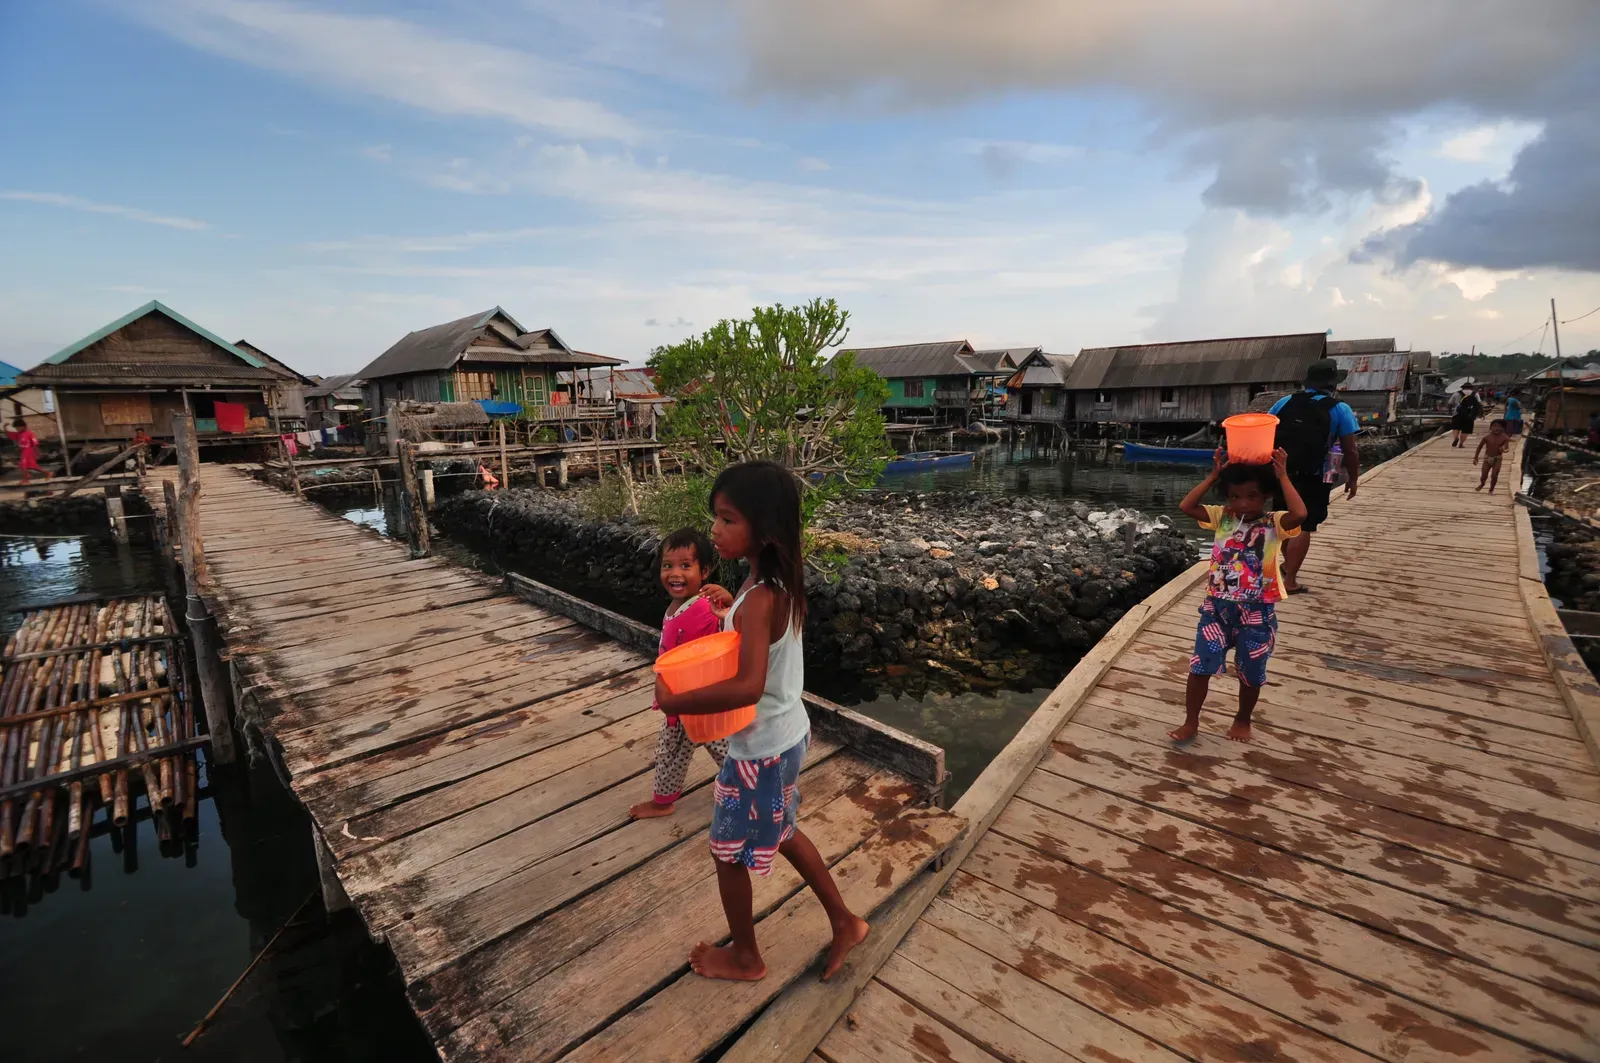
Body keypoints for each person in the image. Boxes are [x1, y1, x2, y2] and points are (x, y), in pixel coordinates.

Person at [656, 461, 868, 983]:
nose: (714, 530)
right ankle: (844, 920)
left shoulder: (760, 596)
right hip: (787, 733)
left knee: (726, 853)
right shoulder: (769, 582)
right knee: (786, 831)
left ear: (763, 526)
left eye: (727, 520)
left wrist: (678, 701)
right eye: (716, 518)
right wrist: (731, 606)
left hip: (760, 751)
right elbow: (763, 639)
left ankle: (747, 958)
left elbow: (748, 686)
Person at [1171, 447, 1307, 744]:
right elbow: (1186, 505)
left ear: (1266, 497)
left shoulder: (1275, 522)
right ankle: (1191, 721)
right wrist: (1214, 475)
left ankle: (1243, 718)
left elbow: (1301, 514)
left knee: (1251, 671)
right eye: (1234, 497)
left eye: (1252, 496)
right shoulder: (1222, 518)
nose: (1243, 504)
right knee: (1200, 666)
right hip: (1216, 609)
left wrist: (1282, 475)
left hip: (1257, 611)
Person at [629, 528, 732, 821]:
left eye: (686, 566)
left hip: (697, 701)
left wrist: (730, 602)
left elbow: (733, 632)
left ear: (705, 571)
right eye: (668, 565)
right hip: (682, 700)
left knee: (721, 752)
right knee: (681, 752)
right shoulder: (678, 605)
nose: (675, 573)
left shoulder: (703, 607)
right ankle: (664, 801)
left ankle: (753, 790)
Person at [1269, 359, 1359, 595]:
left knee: (1287, 521)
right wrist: (1353, 478)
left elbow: (1265, 433)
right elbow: (1350, 450)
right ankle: (1289, 581)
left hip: (1282, 472)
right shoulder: (1339, 409)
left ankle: (1286, 567)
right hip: (1314, 476)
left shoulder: (1283, 403)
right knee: (1304, 525)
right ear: (1333, 384)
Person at [1475, 420, 1514, 494]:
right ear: (1490, 428)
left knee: (1494, 474)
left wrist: (1504, 450)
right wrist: (1475, 457)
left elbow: (1507, 448)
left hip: (1497, 458)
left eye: (1499, 426)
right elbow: (1479, 447)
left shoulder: (1504, 437)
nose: (1497, 428)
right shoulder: (1486, 437)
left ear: (1503, 428)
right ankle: (1482, 483)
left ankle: (1491, 489)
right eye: (1495, 426)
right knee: (1484, 475)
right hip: (1487, 458)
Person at [6, 418, 43, 485]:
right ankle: (47, 473)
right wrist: (4, 427)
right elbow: (8, 434)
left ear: (23, 426)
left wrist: (38, 453)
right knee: (32, 466)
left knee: (22, 465)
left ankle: (26, 478)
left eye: (18, 427)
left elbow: (35, 444)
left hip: (29, 451)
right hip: (24, 452)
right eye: (16, 428)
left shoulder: (29, 433)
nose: (17, 429)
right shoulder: (18, 434)